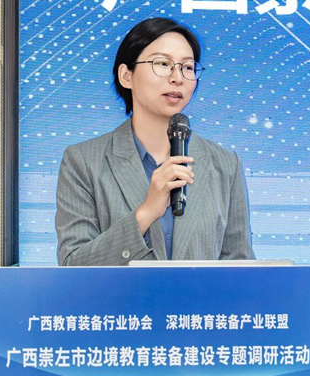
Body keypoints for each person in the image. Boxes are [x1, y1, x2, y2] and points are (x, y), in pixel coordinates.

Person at [56, 17, 255, 266]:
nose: (177, 77)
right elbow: (73, 266)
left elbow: (240, 267)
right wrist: (146, 212)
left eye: (188, 67)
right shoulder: (84, 161)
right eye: (162, 64)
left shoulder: (225, 164)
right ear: (126, 76)